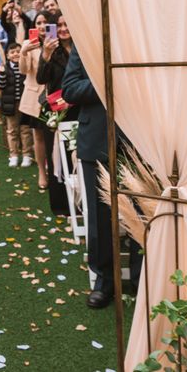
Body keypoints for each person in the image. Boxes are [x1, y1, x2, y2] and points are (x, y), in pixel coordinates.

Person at [62, 45, 142, 308]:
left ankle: (142, 279)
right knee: (98, 216)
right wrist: (105, 82)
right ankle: (104, 281)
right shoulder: (85, 41)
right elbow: (70, 89)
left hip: (139, 141)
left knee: (141, 212)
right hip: (96, 139)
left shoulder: (138, 38)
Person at [37, 11, 77, 215]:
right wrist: (45, 55)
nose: (62, 29)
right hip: (56, 111)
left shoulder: (82, 49)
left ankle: (80, 202)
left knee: (76, 157)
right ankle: (61, 205)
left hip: (79, 108)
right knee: (57, 158)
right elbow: (41, 78)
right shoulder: (52, 50)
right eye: (58, 26)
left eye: (66, 24)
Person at [19, 12, 50, 187]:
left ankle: (56, 172)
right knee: (38, 136)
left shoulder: (57, 41)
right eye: (38, 22)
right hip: (35, 97)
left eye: (45, 22)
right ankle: (41, 172)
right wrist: (24, 52)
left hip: (57, 97)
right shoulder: (29, 44)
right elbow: (24, 71)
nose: (42, 25)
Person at [0, 43, 30, 167]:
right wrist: (2, 73)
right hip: (10, 104)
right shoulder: (5, 68)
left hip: (24, 103)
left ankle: (27, 155)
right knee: (12, 131)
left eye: (18, 51)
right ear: (7, 55)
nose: (15, 54)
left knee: (25, 130)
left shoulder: (25, 67)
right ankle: (14, 155)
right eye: (12, 52)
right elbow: (1, 86)